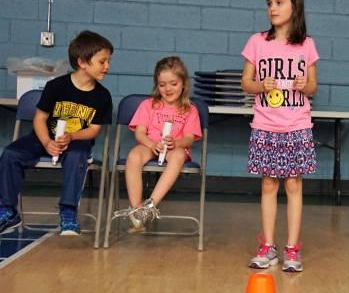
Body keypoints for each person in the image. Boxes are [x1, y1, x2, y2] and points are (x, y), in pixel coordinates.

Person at [0, 30, 113, 236]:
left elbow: (94, 129)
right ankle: (8, 210)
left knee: (77, 156)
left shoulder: (103, 96)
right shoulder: (56, 86)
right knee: (11, 154)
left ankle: (68, 212)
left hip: (77, 141)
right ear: (82, 62)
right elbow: (40, 119)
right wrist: (45, 142)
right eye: (102, 62)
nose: (107, 67)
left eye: (108, 62)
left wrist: (72, 136)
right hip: (44, 137)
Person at [240, 0, 319, 272]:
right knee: (269, 183)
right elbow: (245, 82)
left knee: (294, 184)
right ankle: (268, 246)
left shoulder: (307, 44)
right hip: (266, 124)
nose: (272, 8)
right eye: (269, 3)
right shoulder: (257, 41)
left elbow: (312, 86)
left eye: (278, 2)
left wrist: (304, 85)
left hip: (297, 125)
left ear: (294, 6)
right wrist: (260, 84)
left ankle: (292, 249)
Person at [116, 56, 202, 232]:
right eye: (162, 85)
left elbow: (190, 138)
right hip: (151, 144)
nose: (167, 89)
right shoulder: (149, 105)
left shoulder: (190, 109)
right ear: (157, 85)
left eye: (173, 83)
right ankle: (136, 211)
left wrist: (176, 142)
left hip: (174, 148)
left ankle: (150, 206)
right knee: (133, 156)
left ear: (183, 83)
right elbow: (140, 133)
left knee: (178, 155)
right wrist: (152, 143)